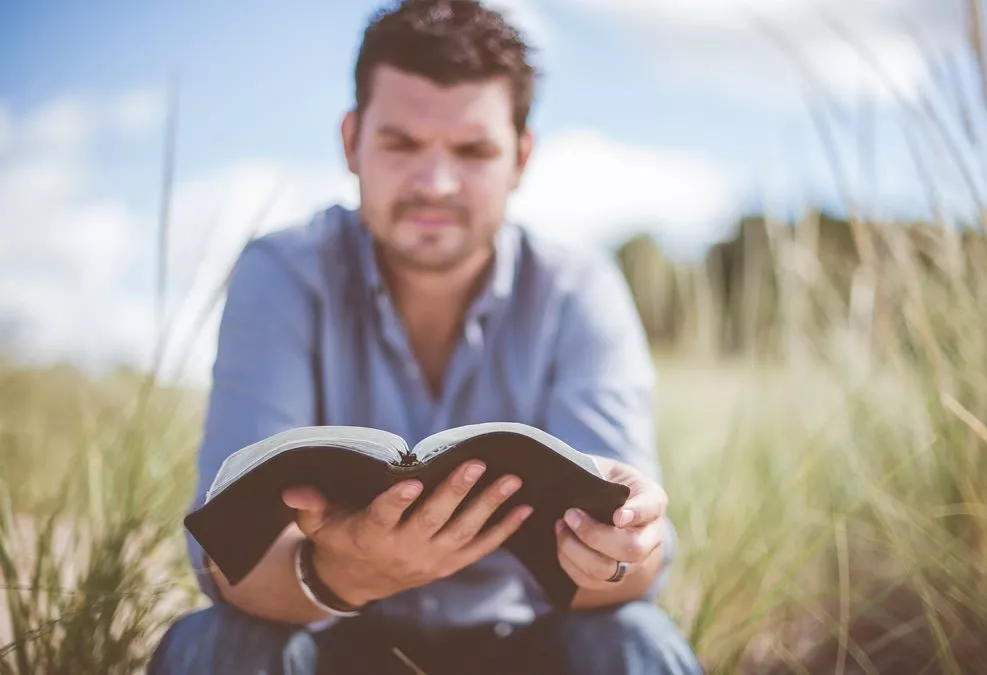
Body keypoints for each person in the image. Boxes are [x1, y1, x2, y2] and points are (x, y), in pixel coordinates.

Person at [149, 0, 701, 673]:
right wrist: (342, 574)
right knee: (217, 643)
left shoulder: (578, 289)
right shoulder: (282, 274)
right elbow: (226, 562)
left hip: (521, 641)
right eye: (401, 144)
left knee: (635, 639)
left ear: (520, 157)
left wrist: (619, 549)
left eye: (472, 151)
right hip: (327, 638)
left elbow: (638, 574)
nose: (436, 184)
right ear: (351, 141)